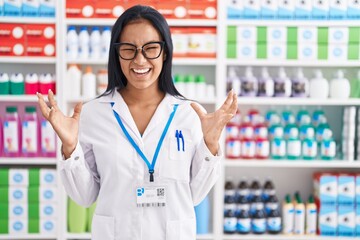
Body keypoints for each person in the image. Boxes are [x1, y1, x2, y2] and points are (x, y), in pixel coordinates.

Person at [37, 5, 237, 240]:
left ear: (164, 52)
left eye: (150, 48)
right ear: (116, 53)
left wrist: (210, 144)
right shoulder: (92, 114)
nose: (139, 59)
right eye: (128, 49)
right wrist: (70, 148)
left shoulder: (190, 114)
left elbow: (194, 195)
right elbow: (84, 196)